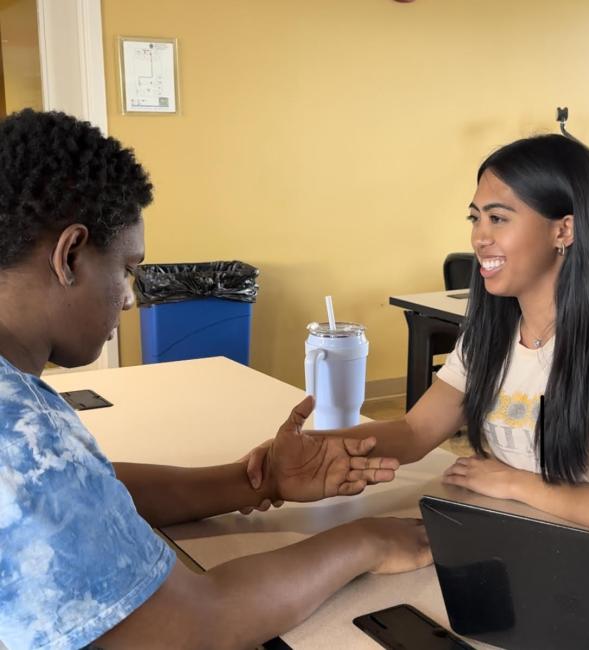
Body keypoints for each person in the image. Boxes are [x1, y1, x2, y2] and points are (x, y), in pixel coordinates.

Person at [0, 109, 431, 650]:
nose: (130, 297)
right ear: (69, 255)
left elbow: (89, 490)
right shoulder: (19, 435)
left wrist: (258, 480)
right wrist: (364, 541)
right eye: (127, 269)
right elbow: (190, 626)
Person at [248, 134, 589, 541]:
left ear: (565, 230)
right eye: (475, 218)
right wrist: (310, 448)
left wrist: (514, 483)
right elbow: (415, 432)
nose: (479, 237)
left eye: (498, 218)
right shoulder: (496, 329)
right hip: (513, 538)